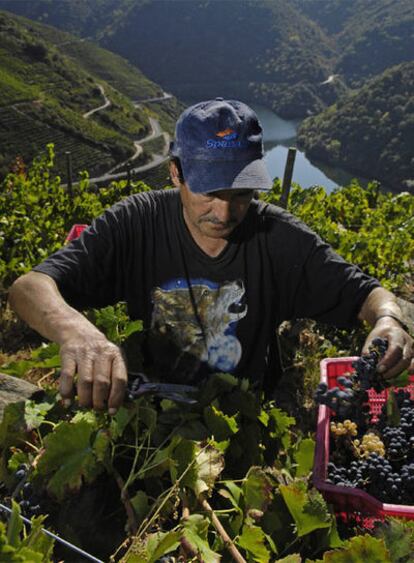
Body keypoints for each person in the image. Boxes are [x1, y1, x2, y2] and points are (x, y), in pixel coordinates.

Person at [8, 97, 414, 414]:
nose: (223, 213)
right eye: (209, 193)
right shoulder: (135, 222)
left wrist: (389, 319)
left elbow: (366, 294)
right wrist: (76, 332)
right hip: (148, 411)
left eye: (240, 195)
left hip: (246, 415)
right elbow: (29, 287)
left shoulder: (278, 236)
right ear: (176, 173)